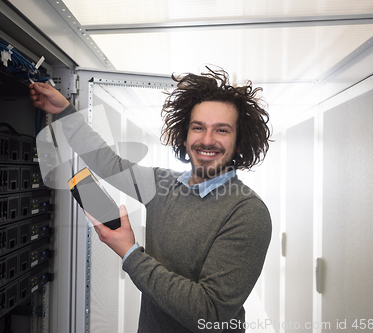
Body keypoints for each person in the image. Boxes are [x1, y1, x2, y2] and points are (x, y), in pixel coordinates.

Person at [29, 67, 272, 333]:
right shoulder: (162, 184)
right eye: (198, 127)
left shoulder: (247, 212)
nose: (207, 140)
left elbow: (210, 314)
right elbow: (110, 164)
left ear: (239, 142)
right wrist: (65, 112)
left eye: (222, 130)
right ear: (185, 134)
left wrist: (130, 254)